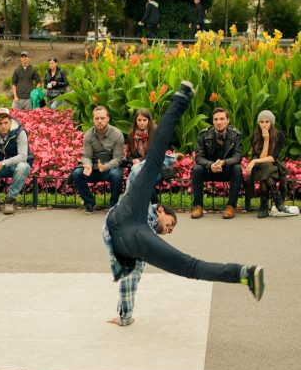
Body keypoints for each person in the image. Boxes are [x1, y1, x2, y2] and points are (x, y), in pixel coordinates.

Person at [104, 82, 265, 327]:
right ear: (160, 210)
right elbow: (139, 170)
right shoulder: (145, 219)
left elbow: (129, 283)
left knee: (187, 265)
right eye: (170, 224)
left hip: (126, 225)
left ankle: (245, 274)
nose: (169, 230)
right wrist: (167, 161)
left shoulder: (145, 240)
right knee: (187, 265)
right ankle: (242, 274)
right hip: (129, 218)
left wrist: (125, 317)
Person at [190, 108, 243, 219]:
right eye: (216, 119)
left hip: (226, 170)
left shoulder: (235, 135)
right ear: (213, 121)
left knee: (237, 169)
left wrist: (223, 162)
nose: (219, 122)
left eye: (222, 119)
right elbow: (199, 157)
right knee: (197, 169)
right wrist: (211, 165)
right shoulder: (203, 135)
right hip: (209, 170)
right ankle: (198, 206)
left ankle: (231, 206)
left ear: (228, 120)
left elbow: (237, 157)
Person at [72, 106, 124, 214]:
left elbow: (118, 159)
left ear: (108, 118)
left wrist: (105, 167)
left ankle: (113, 205)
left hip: (110, 168)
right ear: (93, 119)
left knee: (117, 175)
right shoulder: (88, 135)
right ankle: (89, 202)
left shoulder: (117, 134)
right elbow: (86, 156)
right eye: (96, 118)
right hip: (94, 169)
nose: (99, 121)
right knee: (77, 173)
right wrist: (88, 165)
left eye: (102, 118)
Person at [125, 108, 184, 203]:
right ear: (135, 121)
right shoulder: (132, 135)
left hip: (156, 168)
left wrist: (140, 160)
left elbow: (156, 154)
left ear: (149, 121)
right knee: (140, 178)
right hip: (138, 169)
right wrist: (133, 160)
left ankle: (155, 204)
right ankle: (152, 205)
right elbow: (129, 155)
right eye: (139, 120)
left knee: (144, 181)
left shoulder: (156, 134)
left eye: (144, 120)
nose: (142, 123)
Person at [246, 110, 291, 218]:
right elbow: (262, 157)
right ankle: (278, 201)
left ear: (272, 123)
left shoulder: (279, 135)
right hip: (262, 165)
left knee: (266, 169)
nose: (264, 124)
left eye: (267, 121)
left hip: (275, 165)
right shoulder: (255, 136)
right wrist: (266, 140)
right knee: (265, 167)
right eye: (261, 122)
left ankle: (264, 206)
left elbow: (272, 158)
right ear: (258, 123)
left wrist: (254, 161)